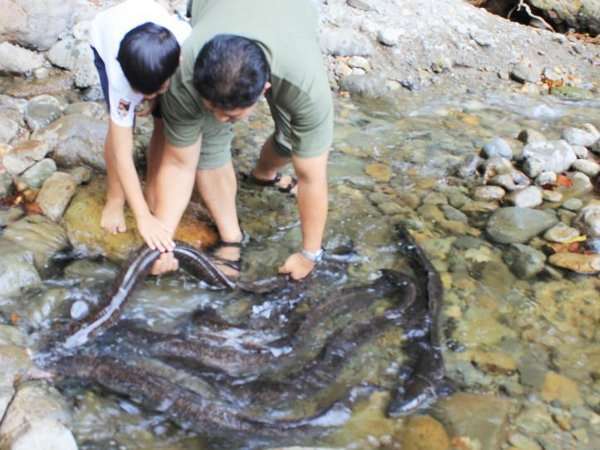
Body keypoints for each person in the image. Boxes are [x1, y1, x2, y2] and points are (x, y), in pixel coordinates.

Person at [151, 0, 334, 280]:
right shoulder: (185, 71)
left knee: (290, 141)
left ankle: (264, 173)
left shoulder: (306, 87)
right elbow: (179, 164)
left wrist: (310, 254)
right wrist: (162, 242)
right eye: (213, 110)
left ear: (265, 89)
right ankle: (231, 237)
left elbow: (311, 177)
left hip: (291, 20)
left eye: (233, 116)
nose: (222, 119)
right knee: (209, 148)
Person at [89, 0, 190, 253]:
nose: (145, 96)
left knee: (165, 119)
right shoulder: (119, 78)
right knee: (122, 128)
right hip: (105, 36)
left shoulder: (184, 40)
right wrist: (142, 217)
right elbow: (122, 152)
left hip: (154, 39)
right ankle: (115, 197)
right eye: (141, 91)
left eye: (154, 89)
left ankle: (154, 183)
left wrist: (157, 97)